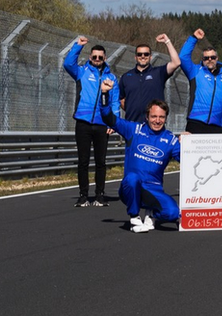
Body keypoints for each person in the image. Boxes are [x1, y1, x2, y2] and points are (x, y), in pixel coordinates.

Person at [99, 78, 181, 233]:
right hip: (130, 187)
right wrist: (104, 93)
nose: (157, 121)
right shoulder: (133, 130)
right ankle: (135, 217)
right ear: (147, 117)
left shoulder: (171, 140)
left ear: (166, 118)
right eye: (154, 117)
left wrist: (189, 144)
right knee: (132, 178)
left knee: (172, 213)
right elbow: (107, 117)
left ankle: (151, 213)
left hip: (153, 189)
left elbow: (188, 159)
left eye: (161, 117)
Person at [63, 36, 119, 207]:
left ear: (105, 58)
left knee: (101, 161)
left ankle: (100, 195)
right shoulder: (81, 72)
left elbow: (115, 101)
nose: (96, 59)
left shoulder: (112, 78)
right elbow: (67, 64)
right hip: (83, 123)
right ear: (89, 57)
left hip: (102, 124)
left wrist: (113, 123)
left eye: (100, 57)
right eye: (94, 57)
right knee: (83, 160)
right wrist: (77, 47)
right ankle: (83, 195)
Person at [178, 28, 222, 134]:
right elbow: (182, 57)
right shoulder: (195, 71)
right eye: (206, 58)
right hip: (196, 122)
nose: (210, 59)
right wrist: (194, 38)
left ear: (217, 58)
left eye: (212, 57)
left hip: (217, 124)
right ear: (202, 60)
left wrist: (220, 108)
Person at [119, 34, 181, 124]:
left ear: (150, 56)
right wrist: (131, 109)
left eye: (146, 54)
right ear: (135, 57)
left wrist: (167, 41)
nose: (143, 56)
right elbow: (121, 98)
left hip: (154, 125)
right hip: (132, 125)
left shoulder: (158, 73)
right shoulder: (126, 76)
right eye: (139, 54)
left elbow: (176, 62)